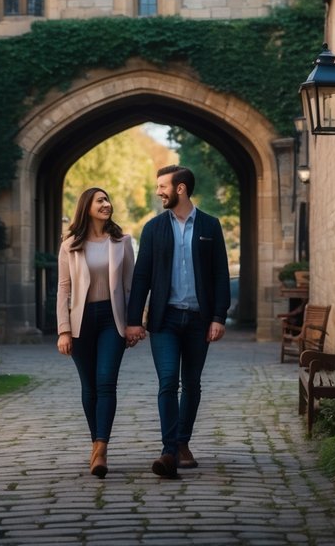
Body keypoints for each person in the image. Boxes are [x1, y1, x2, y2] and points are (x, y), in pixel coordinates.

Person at [126, 165, 231, 479]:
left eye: (162, 186)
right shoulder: (154, 228)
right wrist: (134, 320)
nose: (159, 192)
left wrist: (218, 317)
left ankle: (183, 441)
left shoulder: (210, 226)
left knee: (193, 383)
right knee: (169, 381)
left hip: (199, 320)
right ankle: (170, 450)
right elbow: (141, 275)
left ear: (181, 188)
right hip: (165, 319)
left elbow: (220, 275)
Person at [56, 187, 137, 478]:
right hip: (80, 323)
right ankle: (95, 443)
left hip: (111, 321)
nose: (107, 204)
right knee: (89, 387)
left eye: (108, 199)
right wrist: (64, 330)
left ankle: (102, 448)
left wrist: (134, 322)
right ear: (86, 206)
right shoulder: (69, 244)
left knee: (106, 382)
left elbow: (131, 286)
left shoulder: (122, 242)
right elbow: (64, 288)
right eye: (100, 200)